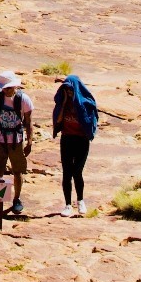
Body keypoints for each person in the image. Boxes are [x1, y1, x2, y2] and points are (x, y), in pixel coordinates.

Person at [0, 72, 33, 217]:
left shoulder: (24, 99)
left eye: (9, 88)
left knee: (17, 171)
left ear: (15, 86)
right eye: (5, 88)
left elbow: (28, 122)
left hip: (16, 141)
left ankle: (17, 199)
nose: (7, 90)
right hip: (0, 140)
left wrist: (29, 141)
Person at [51, 72, 98, 216]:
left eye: (71, 90)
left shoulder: (86, 102)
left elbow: (92, 121)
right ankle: (67, 204)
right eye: (66, 90)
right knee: (67, 172)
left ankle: (80, 201)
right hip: (67, 139)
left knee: (77, 171)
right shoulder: (62, 104)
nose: (69, 92)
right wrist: (64, 103)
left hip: (81, 140)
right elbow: (57, 121)